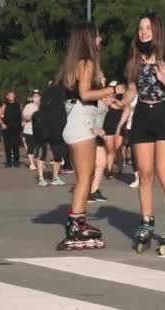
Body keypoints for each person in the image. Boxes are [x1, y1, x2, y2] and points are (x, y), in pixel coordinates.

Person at [120, 11, 165, 255]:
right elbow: (131, 90)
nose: (143, 32)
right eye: (140, 28)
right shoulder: (135, 60)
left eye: (148, 28)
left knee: (164, 171)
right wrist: (120, 102)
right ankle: (146, 222)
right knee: (145, 173)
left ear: (157, 30)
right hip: (142, 117)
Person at [55, 23, 118, 251]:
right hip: (82, 123)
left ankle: (78, 221)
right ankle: (76, 224)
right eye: (98, 36)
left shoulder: (73, 64)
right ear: (90, 39)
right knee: (85, 178)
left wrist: (107, 99)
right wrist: (113, 90)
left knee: (83, 176)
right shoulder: (87, 62)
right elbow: (85, 94)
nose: (100, 40)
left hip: (74, 122)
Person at [103, 82, 129, 179]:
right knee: (110, 150)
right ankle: (109, 170)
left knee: (118, 149)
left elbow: (126, 108)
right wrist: (108, 101)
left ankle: (120, 169)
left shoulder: (121, 99)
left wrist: (115, 101)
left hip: (119, 127)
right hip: (108, 126)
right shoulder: (104, 98)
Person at [0, 90, 22, 168]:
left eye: (12, 95)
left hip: (16, 127)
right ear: (7, 97)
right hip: (7, 128)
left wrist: (23, 122)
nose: (11, 96)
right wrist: (2, 124)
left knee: (16, 145)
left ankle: (16, 161)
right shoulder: (5, 105)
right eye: (9, 95)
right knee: (7, 145)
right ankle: (8, 162)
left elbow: (22, 115)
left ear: (15, 96)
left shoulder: (18, 105)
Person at [22, 90, 41, 170]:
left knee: (40, 148)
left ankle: (40, 163)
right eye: (34, 96)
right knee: (31, 147)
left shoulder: (43, 106)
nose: (36, 98)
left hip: (40, 130)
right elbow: (25, 117)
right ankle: (32, 163)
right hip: (30, 130)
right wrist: (33, 116)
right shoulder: (28, 106)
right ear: (32, 98)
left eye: (38, 96)